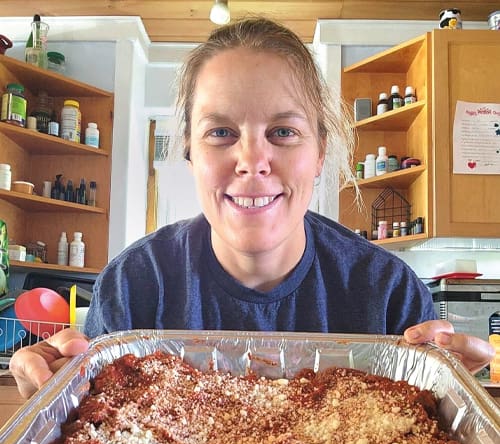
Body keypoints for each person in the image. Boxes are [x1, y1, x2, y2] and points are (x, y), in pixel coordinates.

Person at [10, 17, 494, 399]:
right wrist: (55, 384)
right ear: (189, 152)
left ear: (321, 151)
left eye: (283, 132)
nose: (251, 162)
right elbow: (91, 417)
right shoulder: (137, 284)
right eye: (221, 132)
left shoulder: (387, 294)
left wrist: (449, 393)